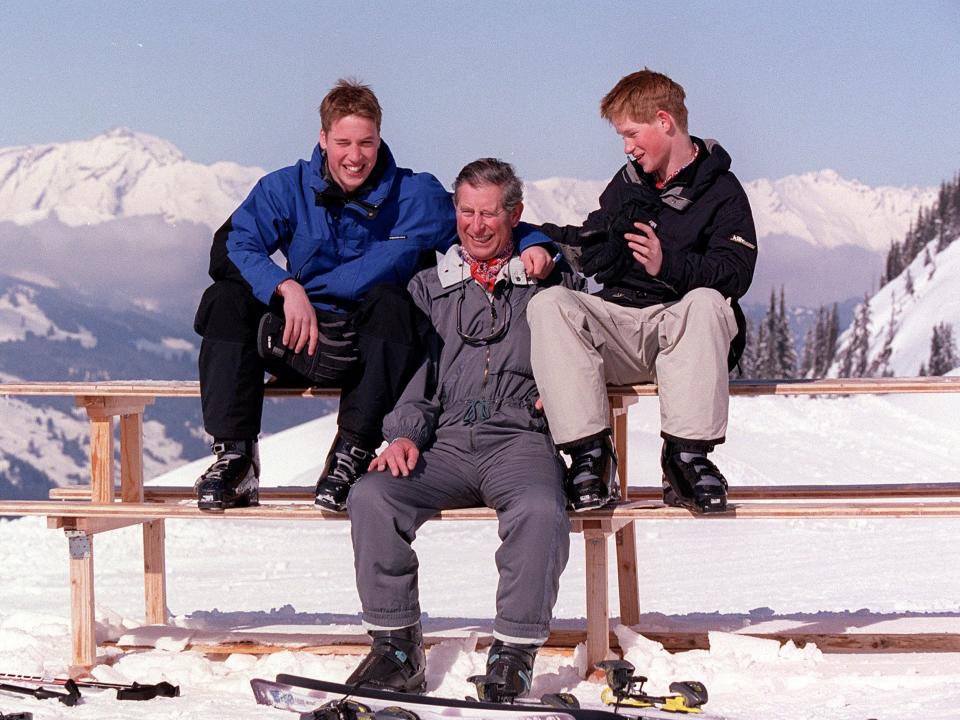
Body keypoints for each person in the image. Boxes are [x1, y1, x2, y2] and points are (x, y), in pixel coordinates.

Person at [192, 79, 555, 512]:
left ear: (379, 138)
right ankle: (236, 458)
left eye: (366, 142)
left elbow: (482, 226)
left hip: (374, 355)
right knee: (224, 300)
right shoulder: (285, 189)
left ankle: (351, 454)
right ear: (323, 139)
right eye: (343, 141)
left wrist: (536, 244)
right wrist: (285, 287)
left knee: (394, 302)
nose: (355, 155)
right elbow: (231, 245)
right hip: (297, 335)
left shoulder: (414, 196)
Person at [344, 158, 577, 700]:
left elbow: (591, 337)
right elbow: (415, 378)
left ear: (515, 214)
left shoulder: (546, 282)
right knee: (373, 495)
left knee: (541, 510)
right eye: (467, 212)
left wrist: (568, 388)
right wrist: (402, 434)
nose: (476, 225)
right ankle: (396, 649)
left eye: (490, 213)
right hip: (444, 441)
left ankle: (513, 655)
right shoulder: (428, 288)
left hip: (519, 437)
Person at [527, 69, 757, 515]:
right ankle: (590, 458)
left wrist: (665, 264)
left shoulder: (723, 191)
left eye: (632, 134)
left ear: (664, 121)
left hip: (683, 333)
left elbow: (736, 272)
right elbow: (592, 237)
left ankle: (687, 460)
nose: (627, 146)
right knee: (551, 303)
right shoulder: (628, 182)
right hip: (622, 326)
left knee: (709, 300)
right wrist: (535, 240)